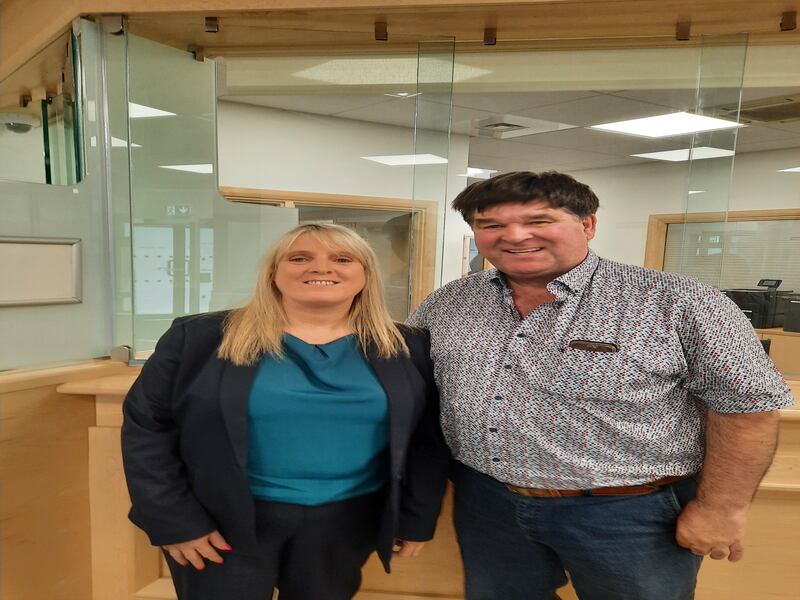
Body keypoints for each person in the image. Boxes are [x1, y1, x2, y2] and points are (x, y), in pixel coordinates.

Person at [408, 171, 794, 600]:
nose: (515, 236)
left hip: (628, 512)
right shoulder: (449, 302)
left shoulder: (678, 301)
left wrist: (721, 508)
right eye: (491, 225)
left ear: (587, 225)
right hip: (487, 501)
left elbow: (748, 409)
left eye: (539, 220)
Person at [122, 223, 450, 600]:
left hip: (345, 524)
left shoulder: (407, 345)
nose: (321, 268)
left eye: (342, 259)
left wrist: (416, 517)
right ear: (273, 273)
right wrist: (173, 520)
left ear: (365, 274)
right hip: (222, 522)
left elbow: (427, 440)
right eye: (300, 258)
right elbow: (147, 428)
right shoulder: (199, 337)